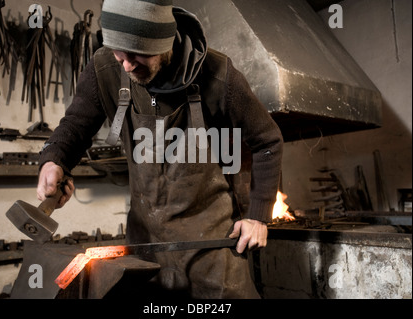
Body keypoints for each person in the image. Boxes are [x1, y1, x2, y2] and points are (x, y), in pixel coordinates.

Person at [37, 0, 283, 299]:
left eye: (136, 53)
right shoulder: (104, 68)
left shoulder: (219, 75)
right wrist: (55, 160)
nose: (126, 66)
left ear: (163, 41)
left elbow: (267, 140)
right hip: (144, 242)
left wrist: (258, 215)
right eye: (118, 54)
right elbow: (76, 124)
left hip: (209, 246)